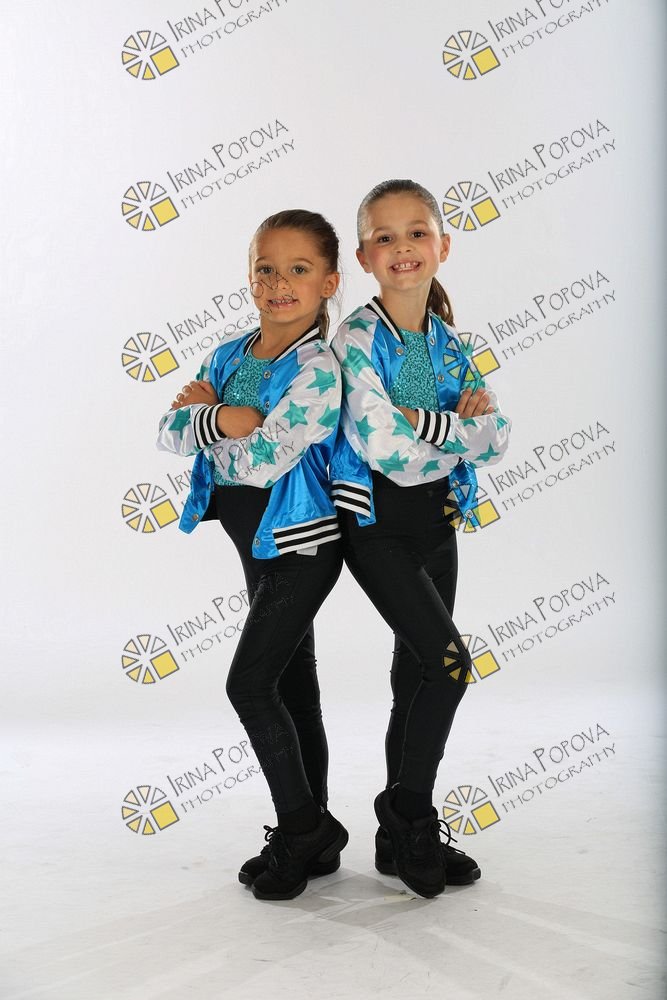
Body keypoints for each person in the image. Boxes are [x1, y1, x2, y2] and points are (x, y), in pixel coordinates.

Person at [156, 210, 348, 901]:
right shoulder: (228, 356)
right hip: (254, 543)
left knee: (249, 684)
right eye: (265, 268)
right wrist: (227, 419)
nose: (278, 283)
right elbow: (169, 432)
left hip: (302, 545)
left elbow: (267, 461)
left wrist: (212, 421)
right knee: (293, 686)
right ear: (249, 275)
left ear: (328, 283)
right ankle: (314, 830)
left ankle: (303, 830)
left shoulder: (318, 371)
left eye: (298, 269)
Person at [329, 179, 512, 898]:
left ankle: (397, 836)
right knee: (449, 666)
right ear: (363, 257)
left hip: (437, 525)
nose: (402, 247)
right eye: (384, 236)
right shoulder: (356, 340)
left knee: (417, 677)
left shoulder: (450, 343)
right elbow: (384, 448)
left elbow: (496, 437)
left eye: (416, 232)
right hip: (377, 526)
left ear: (442, 245)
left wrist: (430, 424)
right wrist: (454, 428)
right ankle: (408, 815)